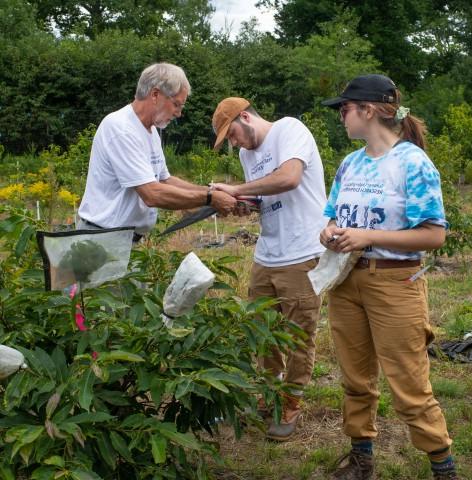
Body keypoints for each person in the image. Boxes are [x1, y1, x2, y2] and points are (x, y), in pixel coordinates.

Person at [320, 74, 457, 480]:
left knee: (410, 387)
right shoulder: (351, 162)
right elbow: (329, 214)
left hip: (395, 283)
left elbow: (434, 234)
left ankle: (443, 468)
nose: (340, 116)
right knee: (355, 378)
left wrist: (366, 236)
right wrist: (327, 231)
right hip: (346, 281)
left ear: (368, 110)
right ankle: (362, 458)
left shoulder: (412, 162)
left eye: (344, 109)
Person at [211, 97, 328, 441]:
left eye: (231, 134)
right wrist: (239, 204)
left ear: (246, 117)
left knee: (298, 332)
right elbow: (265, 199)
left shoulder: (290, 130)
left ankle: (290, 402)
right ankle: (270, 393)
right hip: (268, 252)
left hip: (302, 249)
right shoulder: (248, 155)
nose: (233, 144)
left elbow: (289, 178)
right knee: (259, 329)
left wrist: (237, 188)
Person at [78, 63, 236, 240]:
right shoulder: (121, 128)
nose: (179, 114)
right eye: (177, 104)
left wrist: (211, 191)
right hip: (101, 238)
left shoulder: (151, 131)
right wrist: (210, 198)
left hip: (124, 238)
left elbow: (165, 180)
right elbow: (152, 194)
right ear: (155, 95)